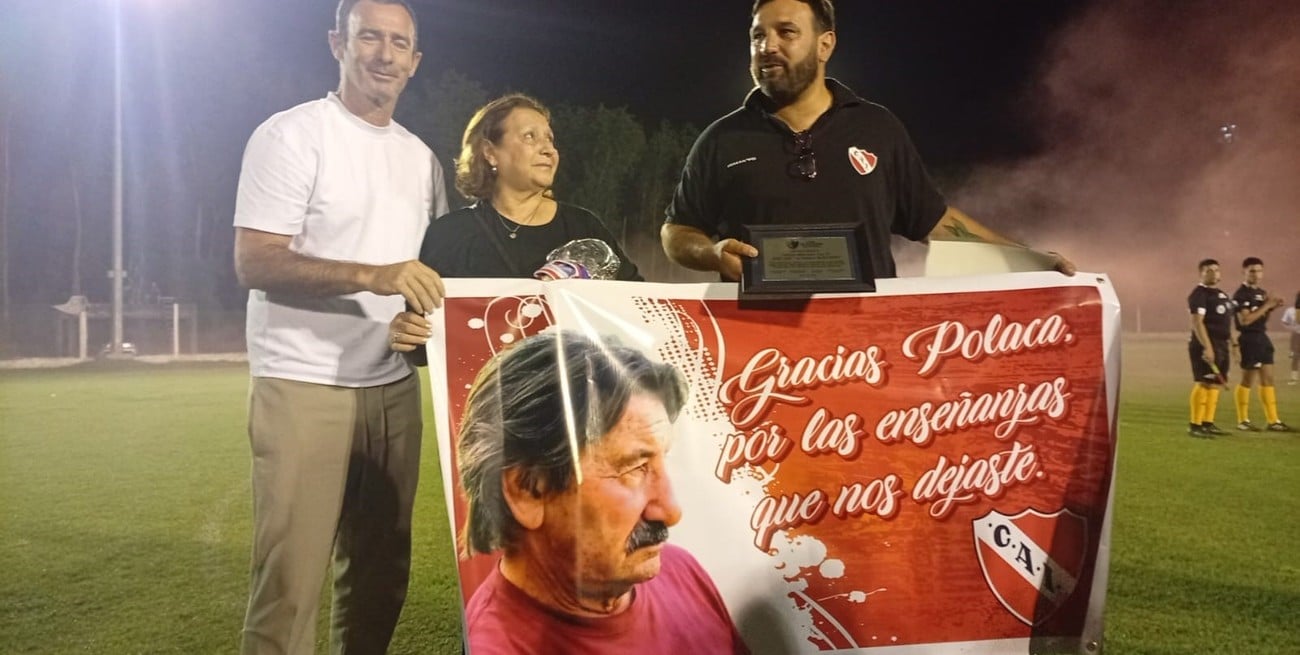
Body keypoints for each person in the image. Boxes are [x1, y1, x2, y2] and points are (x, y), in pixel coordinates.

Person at [231, 1, 448, 652]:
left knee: (381, 577)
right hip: (303, 383)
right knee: (291, 584)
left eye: (399, 42)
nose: (385, 53)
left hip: (391, 387)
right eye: (370, 37)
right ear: (337, 44)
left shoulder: (422, 159)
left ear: (415, 61)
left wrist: (419, 317)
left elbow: (430, 275)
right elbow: (255, 259)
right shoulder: (291, 134)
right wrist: (372, 275)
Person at [661, 0, 1076, 282]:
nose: (767, 47)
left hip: (864, 356)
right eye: (756, 36)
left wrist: (1027, 260)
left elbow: (934, 221)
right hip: (758, 361)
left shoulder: (877, 129)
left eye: (786, 32)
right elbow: (678, 231)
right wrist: (711, 255)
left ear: (825, 44)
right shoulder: (721, 139)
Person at [454, 331, 750, 654]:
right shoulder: (496, 646)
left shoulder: (680, 571)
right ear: (528, 489)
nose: (671, 510)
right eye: (634, 468)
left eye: (662, 460)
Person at [388, 94, 642, 353]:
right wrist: (406, 333)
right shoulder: (449, 235)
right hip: (486, 391)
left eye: (550, 139)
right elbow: (424, 341)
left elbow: (639, 309)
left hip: (572, 390)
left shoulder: (584, 228)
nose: (548, 149)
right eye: (530, 136)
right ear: (490, 153)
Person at [1230, 257, 1290, 431]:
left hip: (1262, 337)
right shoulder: (1241, 294)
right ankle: (1243, 420)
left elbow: (1262, 317)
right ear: (1244, 272)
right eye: (1252, 271)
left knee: (1268, 379)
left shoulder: (1261, 293)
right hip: (1248, 339)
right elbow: (1245, 320)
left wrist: (1272, 307)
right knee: (1248, 380)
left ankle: (1273, 421)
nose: (1256, 274)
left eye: (1259, 271)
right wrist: (1267, 305)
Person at [1187, 259, 1233, 437]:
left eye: (1216, 270)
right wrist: (1208, 347)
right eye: (1209, 270)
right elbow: (1197, 323)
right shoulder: (1199, 294)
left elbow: (1226, 323)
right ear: (1201, 273)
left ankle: (1208, 423)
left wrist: (1233, 344)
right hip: (1205, 343)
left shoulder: (1221, 294)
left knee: (1215, 383)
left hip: (1221, 344)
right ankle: (1195, 425)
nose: (1214, 273)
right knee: (1204, 382)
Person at [1283, 292, 1300, 385]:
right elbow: (1285, 322)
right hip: (1296, 335)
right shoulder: (1290, 310)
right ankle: (1294, 378)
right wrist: (1291, 329)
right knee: (1295, 357)